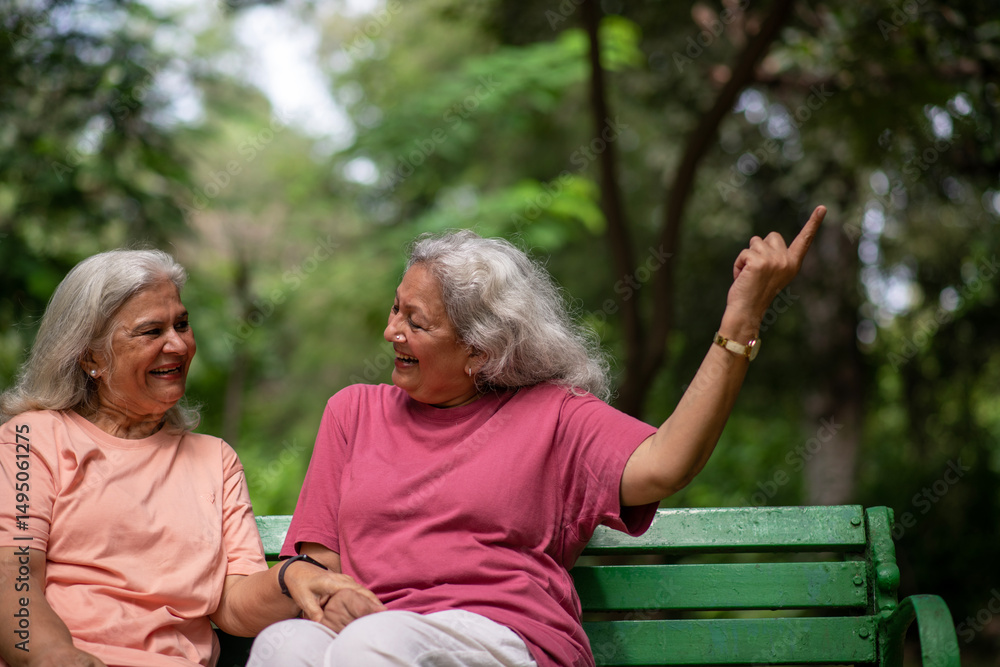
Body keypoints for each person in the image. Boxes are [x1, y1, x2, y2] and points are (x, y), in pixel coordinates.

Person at [247, 206, 827, 667]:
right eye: (395, 309)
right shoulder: (354, 413)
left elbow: (667, 462)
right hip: (372, 634)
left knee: (375, 645)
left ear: (479, 351)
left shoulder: (553, 415)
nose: (389, 330)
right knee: (283, 646)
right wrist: (329, 594)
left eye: (414, 322)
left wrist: (741, 320)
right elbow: (319, 570)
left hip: (501, 637)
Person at [0, 249, 382, 667]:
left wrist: (292, 575)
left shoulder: (215, 460)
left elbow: (234, 603)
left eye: (181, 324)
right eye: (151, 331)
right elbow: (13, 575)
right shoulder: (30, 440)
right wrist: (54, 654)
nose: (179, 344)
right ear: (92, 357)